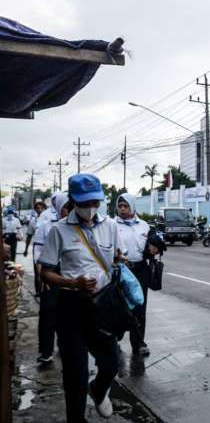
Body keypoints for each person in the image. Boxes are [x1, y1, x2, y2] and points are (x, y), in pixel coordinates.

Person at [39, 173, 126, 422]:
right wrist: (73, 282)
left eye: (95, 202)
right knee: (75, 374)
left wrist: (119, 260)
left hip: (104, 305)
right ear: (74, 200)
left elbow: (117, 256)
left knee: (110, 364)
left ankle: (99, 389)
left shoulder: (110, 225)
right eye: (85, 203)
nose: (90, 208)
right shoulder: (59, 230)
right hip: (71, 306)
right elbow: (46, 273)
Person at [32, 192, 71, 365]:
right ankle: (46, 351)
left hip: (72, 272)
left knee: (69, 313)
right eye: (67, 207)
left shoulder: (77, 227)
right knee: (48, 311)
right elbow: (38, 251)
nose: (70, 210)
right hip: (51, 270)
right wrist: (43, 277)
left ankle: (66, 347)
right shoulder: (46, 226)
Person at [116, 193, 152, 357]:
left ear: (133, 207)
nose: (122, 209)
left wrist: (155, 248)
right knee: (120, 305)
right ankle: (116, 334)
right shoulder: (112, 225)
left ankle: (138, 343)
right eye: (120, 206)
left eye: (126, 206)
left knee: (140, 306)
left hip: (140, 269)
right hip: (121, 270)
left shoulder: (144, 225)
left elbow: (153, 244)